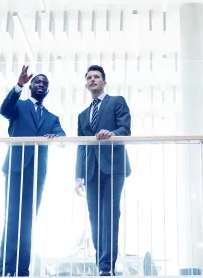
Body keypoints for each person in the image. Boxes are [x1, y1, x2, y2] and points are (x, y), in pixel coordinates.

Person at [0, 66, 65, 277]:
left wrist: (57, 138)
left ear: (47, 90)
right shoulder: (19, 106)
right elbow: (4, 110)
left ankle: (22, 270)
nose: (41, 85)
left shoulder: (52, 118)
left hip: (37, 173)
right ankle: (7, 269)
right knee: (12, 217)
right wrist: (18, 85)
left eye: (45, 83)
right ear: (31, 86)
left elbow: (62, 137)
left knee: (28, 221)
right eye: (38, 81)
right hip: (16, 168)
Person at [75, 65, 132, 276]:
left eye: (96, 77)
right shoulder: (82, 115)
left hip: (114, 167)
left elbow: (125, 129)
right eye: (89, 77)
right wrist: (78, 175)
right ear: (86, 84)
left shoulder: (117, 102)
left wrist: (112, 133)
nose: (92, 79)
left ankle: (107, 267)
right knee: (94, 217)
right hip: (91, 171)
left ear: (104, 82)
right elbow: (81, 146)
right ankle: (102, 264)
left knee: (110, 214)